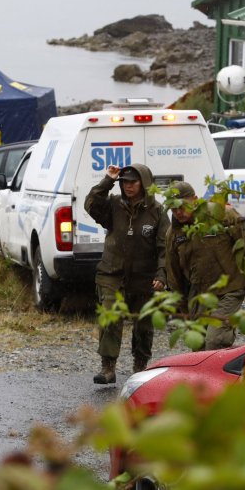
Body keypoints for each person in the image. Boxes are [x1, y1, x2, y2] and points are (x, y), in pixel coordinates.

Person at [84, 163, 167, 384]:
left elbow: (164, 248)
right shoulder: (113, 205)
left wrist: (161, 275)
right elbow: (90, 204)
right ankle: (108, 367)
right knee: (110, 315)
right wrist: (108, 180)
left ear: (145, 184)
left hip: (143, 276)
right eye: (125, 182)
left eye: (133, 182)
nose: (128, 186)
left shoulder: (157, 211)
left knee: (143, 322)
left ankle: (140, 365)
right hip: (112, 272)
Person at [165, 181, 245, 350]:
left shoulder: (221, 215)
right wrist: (181, 307)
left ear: (195, 200)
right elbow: (173, 273)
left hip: (230, 288)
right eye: (173, 208)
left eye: (182, 206)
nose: (178, 212)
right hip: (199, 294)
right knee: (198, 347)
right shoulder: (173, 234)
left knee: (214, 340)